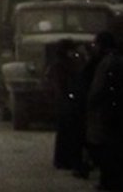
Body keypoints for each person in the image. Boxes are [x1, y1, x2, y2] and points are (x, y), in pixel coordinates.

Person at [85, 31, 123, 190]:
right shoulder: (120, 60)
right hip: (119, 109)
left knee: (106, 148)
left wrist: (91, 104)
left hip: (108, 111)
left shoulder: (106, 63)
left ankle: (109, 181)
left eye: (96, 45)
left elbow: (98, 88)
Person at [47, 39, 87, 171]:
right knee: (69, 132)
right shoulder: (64, 65)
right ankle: (66, 160)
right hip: (67, 102)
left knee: (64, 132)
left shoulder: (60, 64)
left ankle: (62, 160)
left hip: (64, 102)